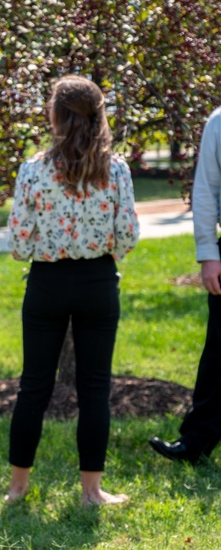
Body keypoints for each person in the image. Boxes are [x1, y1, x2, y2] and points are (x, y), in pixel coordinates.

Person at [4, 75, 140, 506]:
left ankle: (17, 488)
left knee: (33, 387)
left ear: (55, 114)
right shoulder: (115, 169)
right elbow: (128, 236)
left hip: (46, 283)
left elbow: (18, 244)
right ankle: (91, 492)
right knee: (96, 387)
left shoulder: (33, 169)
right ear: (100, 115)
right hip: (98, 282)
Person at [149, 106, 221, 465]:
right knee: (219, 354)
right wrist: (208, 253)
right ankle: (195, 444)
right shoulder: (219, 122)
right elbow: (206, 190)